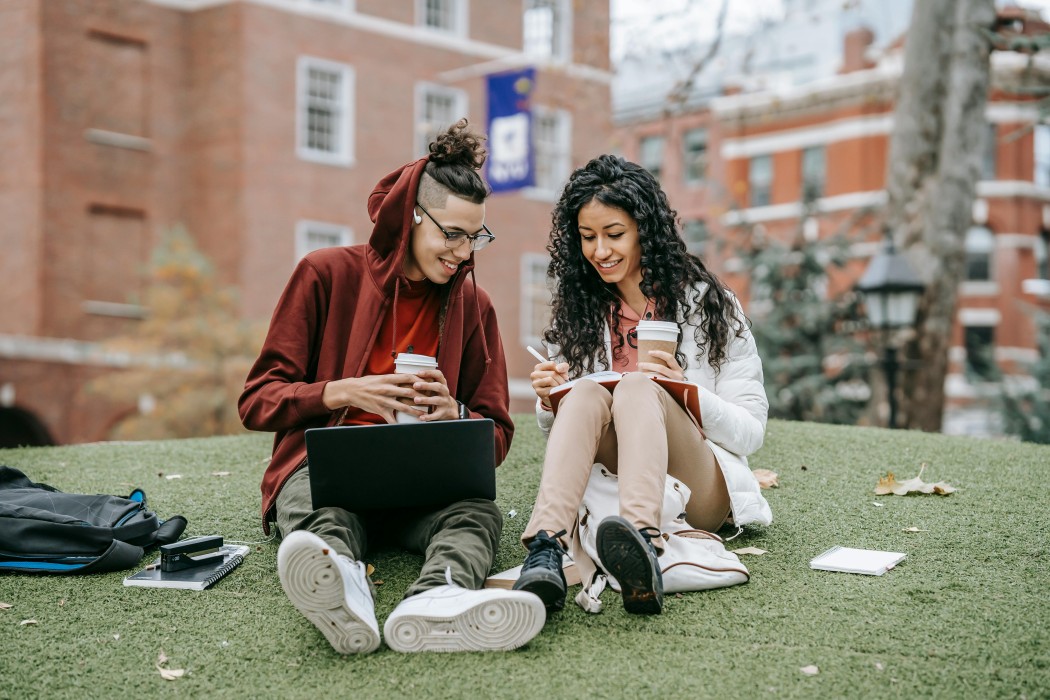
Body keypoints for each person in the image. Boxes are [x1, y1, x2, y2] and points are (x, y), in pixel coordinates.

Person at [239, 120, 544, 654]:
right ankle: (345, 591)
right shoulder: (325, 274)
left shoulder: (476, 305)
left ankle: (436, 599)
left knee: (476, 514)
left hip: (426, 484)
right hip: (327, 476)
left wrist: (457, 415)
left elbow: (496, 433)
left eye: (476, 237)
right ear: (411, 218)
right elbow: (257, 400)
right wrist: (343, 392)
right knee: (318, 512)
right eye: (451, 234)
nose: (463, 252)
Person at [512, 154, 772, 615]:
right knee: (589, 391)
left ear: (645, 233)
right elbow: (568, 433)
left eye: (614, 235)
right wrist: (550, 399)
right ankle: (546, 547)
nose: (600, 251)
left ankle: (642, 544)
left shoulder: (709, 305)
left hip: (699, 486)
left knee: (636, 387)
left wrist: (686, 394)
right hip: (614, 476)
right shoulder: (580, 312)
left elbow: (751, 432)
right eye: (587, 237)